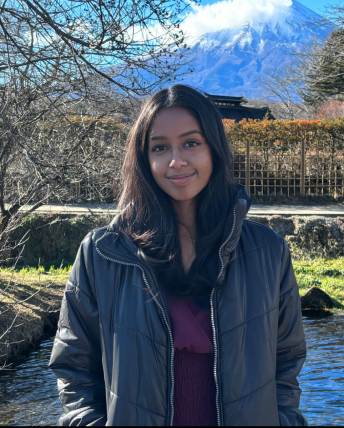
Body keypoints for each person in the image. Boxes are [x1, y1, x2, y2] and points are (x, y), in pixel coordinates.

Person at [49, 84, 307, 426]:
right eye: (160, 148)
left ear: (214, 148)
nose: (176, 160)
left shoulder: (267, 252)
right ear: (144, 159)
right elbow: (74, 367)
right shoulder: (103, 254)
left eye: (191, 143)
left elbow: (286, 362)